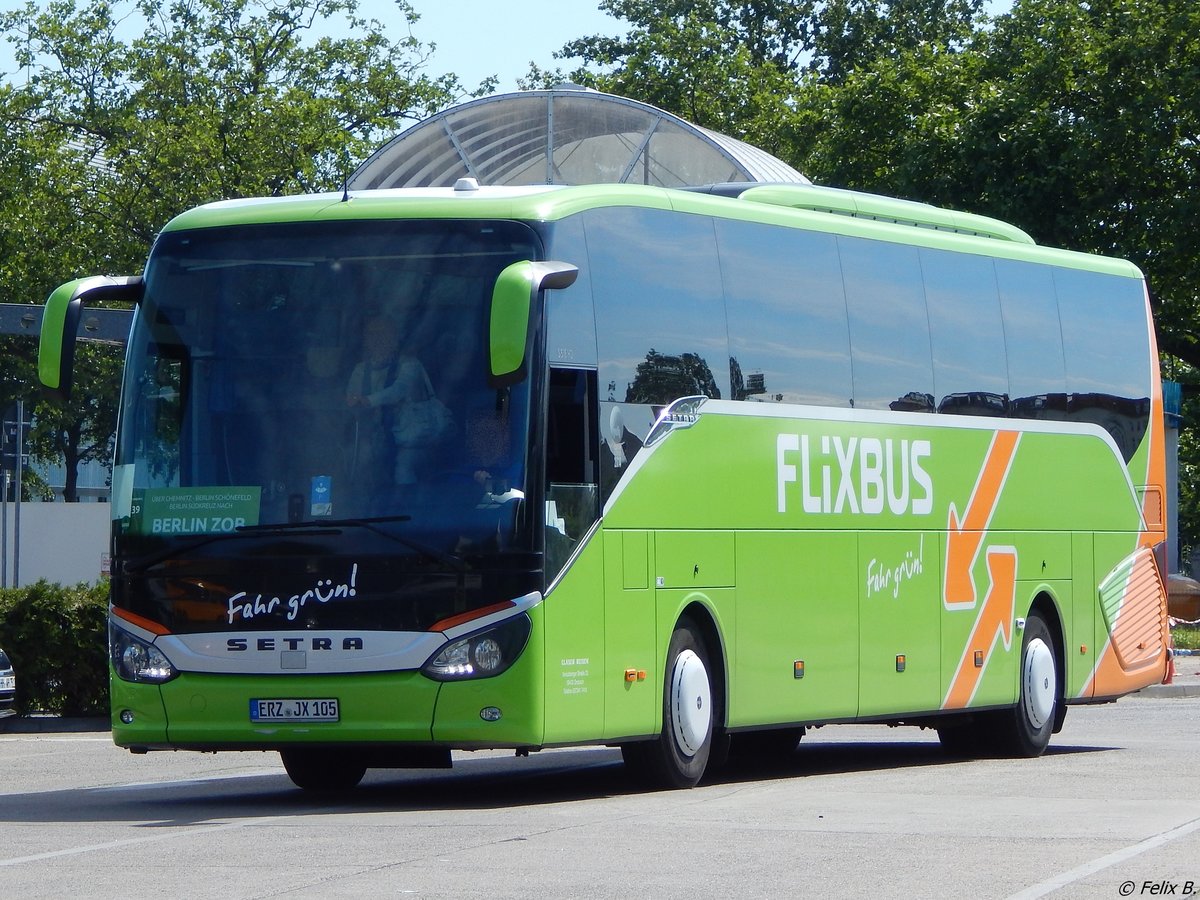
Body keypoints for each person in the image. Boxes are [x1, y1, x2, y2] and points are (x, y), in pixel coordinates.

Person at [346, 315, 436, 487]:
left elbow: (399, 390)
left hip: (410, 439)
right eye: (372, 334)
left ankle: (406, 500)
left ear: (394, 338)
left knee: (403, 469)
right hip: (373, 437)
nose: (377, 339)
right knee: (360, 461)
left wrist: (368, 400)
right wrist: (353, 402)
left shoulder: (411, 365)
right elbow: (351, 399)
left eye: (383, 334)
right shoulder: (361, 370)